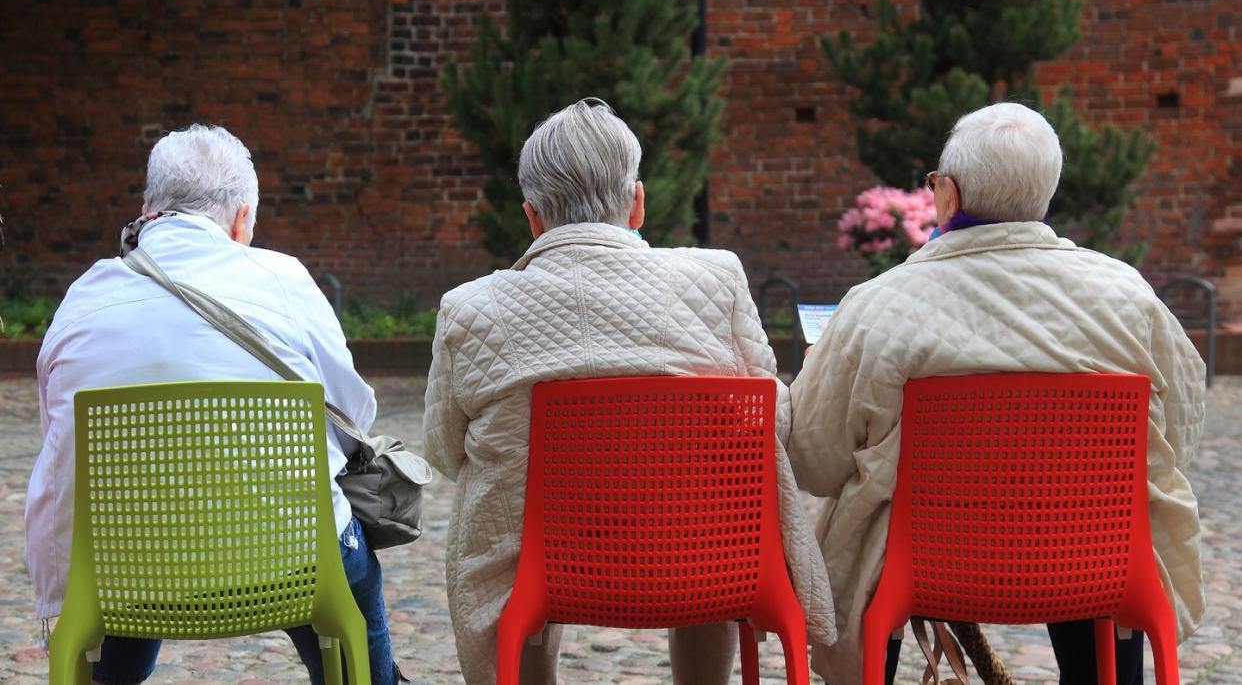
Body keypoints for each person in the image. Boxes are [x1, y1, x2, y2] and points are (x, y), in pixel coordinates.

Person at [423, 97, 837, 685]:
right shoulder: (717, 279)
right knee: (712, 515)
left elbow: (443, 450)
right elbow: (774, 418)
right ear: (637, 202)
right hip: (706, 557)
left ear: (532, 217)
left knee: (510, 518)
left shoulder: (470, 309)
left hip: (544, 570)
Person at [788, 102, 1205, 685]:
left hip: (925, 566)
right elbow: (1179, 431)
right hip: (1094, 558)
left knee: (859, 532)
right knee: (1111, 526)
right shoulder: (1127, 298)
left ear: (949, 196)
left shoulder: (879, 305)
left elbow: (813, 460)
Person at [25, 124, 404, 684]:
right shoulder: (285, 279)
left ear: (147, 209)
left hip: (123, 573)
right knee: (344, 558)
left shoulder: (84, 297)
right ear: (240, 217)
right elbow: (353, 416)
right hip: (289, 565)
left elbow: (59, 438)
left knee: (128, 556)